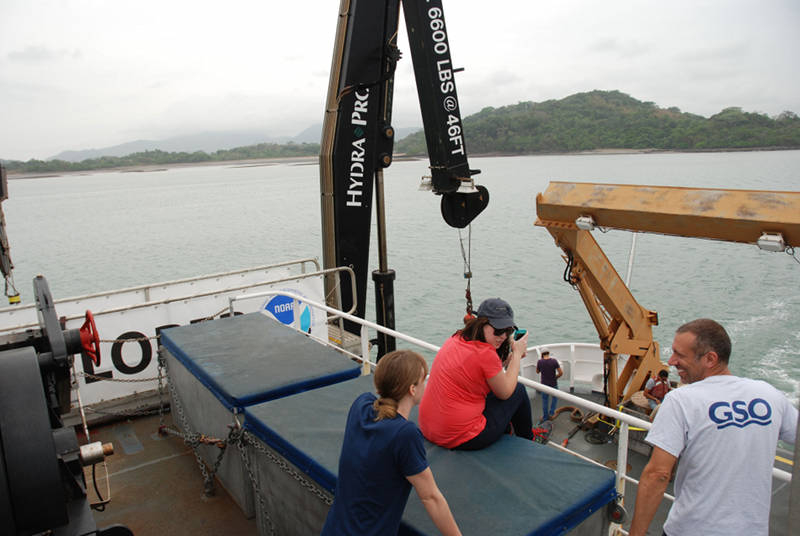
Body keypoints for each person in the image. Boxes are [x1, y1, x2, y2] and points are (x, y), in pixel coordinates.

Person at [629, 319, 798, 536]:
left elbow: (658, 474)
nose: (671, 361)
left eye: (680, 355)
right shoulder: (768, 394)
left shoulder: (681, 400)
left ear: (710, 358)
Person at [321, 349, 461, 536]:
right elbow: (431, 497)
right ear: (412, 389)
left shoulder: (360, 405)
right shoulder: (405, 434)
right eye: (423, 379)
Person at [419, 298, 533, 450]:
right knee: (518, 391)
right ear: (481, 324)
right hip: (460, 437)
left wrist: (509, 360)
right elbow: (505, 393)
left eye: (508, 331)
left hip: (429, 427)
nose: (503, 337)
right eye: (498, 331)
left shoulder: (456, 338)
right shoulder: (486, 354)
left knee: (499, 391)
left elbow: (484, 370)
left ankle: (507, 431)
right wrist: (517, 355)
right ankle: (529, 441)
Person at [536, 348, 563, 422]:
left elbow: (537, 371)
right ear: (548, 353)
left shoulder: (540, 362)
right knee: (555, 398)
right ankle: (551, 413)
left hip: (544, 385)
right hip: (553, 383)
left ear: (542, 354)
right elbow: (561, 373)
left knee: (545, 400)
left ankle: (545, 417)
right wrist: (555, 378)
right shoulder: (554, 361)